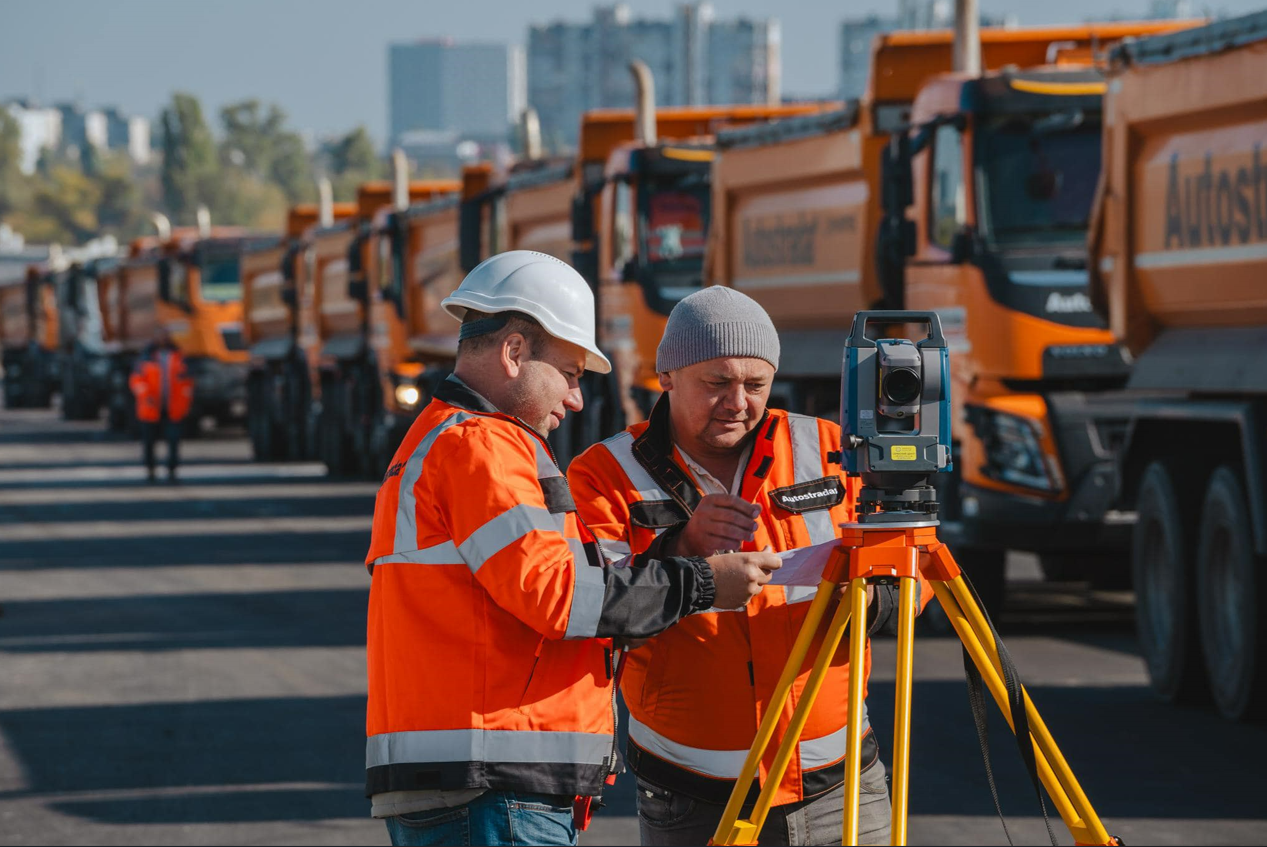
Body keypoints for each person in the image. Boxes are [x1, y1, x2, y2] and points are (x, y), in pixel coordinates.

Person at [363, 251, 781, 847]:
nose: (578, 399)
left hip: (470, 775)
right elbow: (561, 598)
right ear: (514, 354)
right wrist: (706, 582)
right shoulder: (482, 448)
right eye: (571, 374)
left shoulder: (437, 440)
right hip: (492, 783)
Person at [568, 287, 932, 846]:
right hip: (690, 791)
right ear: (667, 375)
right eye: (717, 382)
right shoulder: (603, 473)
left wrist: (874, 599)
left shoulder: (831, 449)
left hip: (837, 783)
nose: (738, 402)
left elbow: (915, 569)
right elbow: (596, 602)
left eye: (755, 385)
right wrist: (683, 545)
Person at [129, 327, 192, 483]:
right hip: (151, 408)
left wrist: (184, 402)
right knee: (150, 441)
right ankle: (150, 470)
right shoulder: (146, 357)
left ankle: (172, 470)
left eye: (165, 336)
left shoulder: (178, 356)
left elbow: (186, 381)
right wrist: (146, 396)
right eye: (160, 336)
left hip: (173, 408)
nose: (163, 339)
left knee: (173, 440)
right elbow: (136, 380)